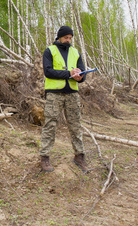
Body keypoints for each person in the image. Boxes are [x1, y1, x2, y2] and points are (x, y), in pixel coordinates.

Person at [39, 25, 90, 173]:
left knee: (75, 125)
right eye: (66, 37)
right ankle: (45, 157)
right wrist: (69, 73)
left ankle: (79, 156)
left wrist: (80, 77)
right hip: (54, 93)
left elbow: (83, 73)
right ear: (59, 37)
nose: (68, 40)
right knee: (50, 124)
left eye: (70, 38)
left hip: (72, 94)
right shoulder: (50, 51)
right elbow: (48, 72)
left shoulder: (75, 52)